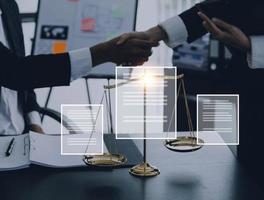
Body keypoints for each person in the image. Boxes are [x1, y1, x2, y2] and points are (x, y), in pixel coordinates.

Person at [117, 1, 264, 199]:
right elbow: (219, 8)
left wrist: (249, 45)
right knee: (247, 179)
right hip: (249, 97)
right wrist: (155, 34)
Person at [0, 0, 157, 136]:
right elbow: (16, 72)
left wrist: (34, 122)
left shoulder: (9, 6)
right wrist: (103, 53)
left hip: (22, 139)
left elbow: (26, 79)